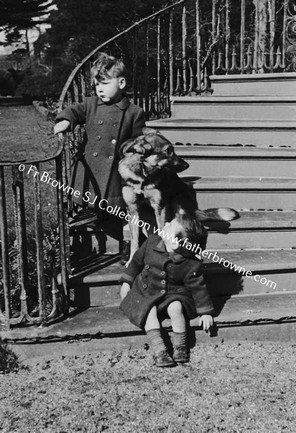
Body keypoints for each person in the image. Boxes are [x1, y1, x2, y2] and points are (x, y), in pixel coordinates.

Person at [54, 52, 146, 263]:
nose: (100, 89)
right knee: (91, 201)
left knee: (122, 210)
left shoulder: (134, 112)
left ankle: (127, 243)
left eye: (105, 83)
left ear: (121, 83)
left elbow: (137, 142)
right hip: (91, 168)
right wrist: (66, 121)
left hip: (117, 172)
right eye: (97, 85)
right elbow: (74, 111)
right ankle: (90, 226)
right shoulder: (91, 104)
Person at [120, 213, 214, 367]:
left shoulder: (190, 264)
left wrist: (206, 313)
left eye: (170, 225)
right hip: (146, 291)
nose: (167, 222)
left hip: (173, 293)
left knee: (176, 307)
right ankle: (160, 350)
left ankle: (180, 346)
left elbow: (198, 288)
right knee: (148, 311)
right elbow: (136, 262)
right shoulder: (151, 242)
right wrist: (126, 282)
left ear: (176, 243)